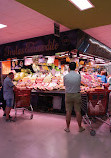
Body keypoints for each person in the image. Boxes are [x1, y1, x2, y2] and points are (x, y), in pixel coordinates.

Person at [63, 62, 85, 133]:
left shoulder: (65, 76)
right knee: (78, 111)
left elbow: (64, 85)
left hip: (68, 95)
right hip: (77, 95)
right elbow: (79, 84)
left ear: (69, 68)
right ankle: (80, 127)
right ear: (75, 68)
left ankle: (67, 128)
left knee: (68, 111)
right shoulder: (78, 76)